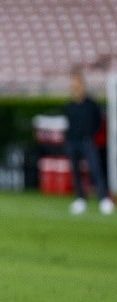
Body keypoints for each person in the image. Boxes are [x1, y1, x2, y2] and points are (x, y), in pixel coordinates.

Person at [64, 72, 114, 215]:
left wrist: (90, 134)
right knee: (76, 172)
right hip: (73, 142)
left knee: (95, 169)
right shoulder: (70, 106)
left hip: (87, 141)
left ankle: (104, 199)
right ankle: (80, 198)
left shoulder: (91, 104)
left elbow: (98, 121)